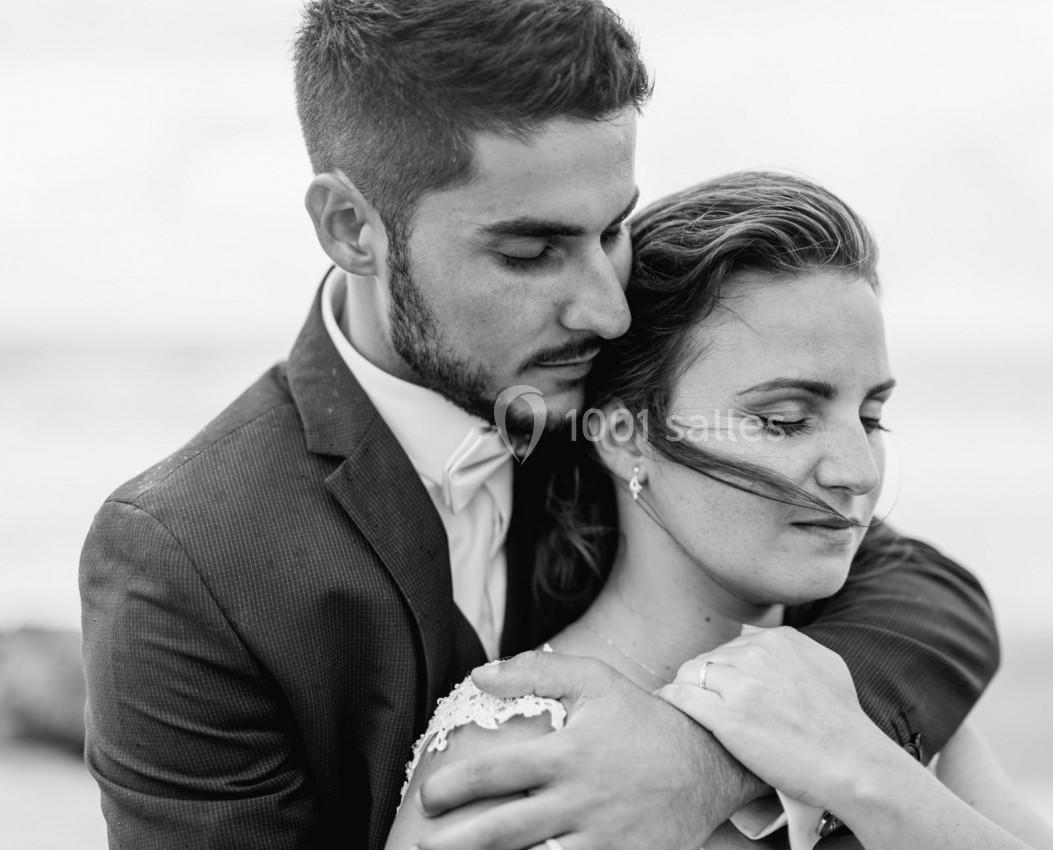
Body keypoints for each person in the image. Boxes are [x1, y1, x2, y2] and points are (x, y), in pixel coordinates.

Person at [78, 2, 998, 848]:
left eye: (613, 231)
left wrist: (711, 759)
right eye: (532, 251)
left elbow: (924, 591)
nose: (606, 308)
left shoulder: (610, 387)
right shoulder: (184, 557)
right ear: (353, 227)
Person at [392, 172, 1053, 850]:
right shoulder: (517, 756)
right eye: (784, 420)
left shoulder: (879, 714)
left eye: (871, 416)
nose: (858, 472)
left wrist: (862, 770)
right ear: (627, 440)